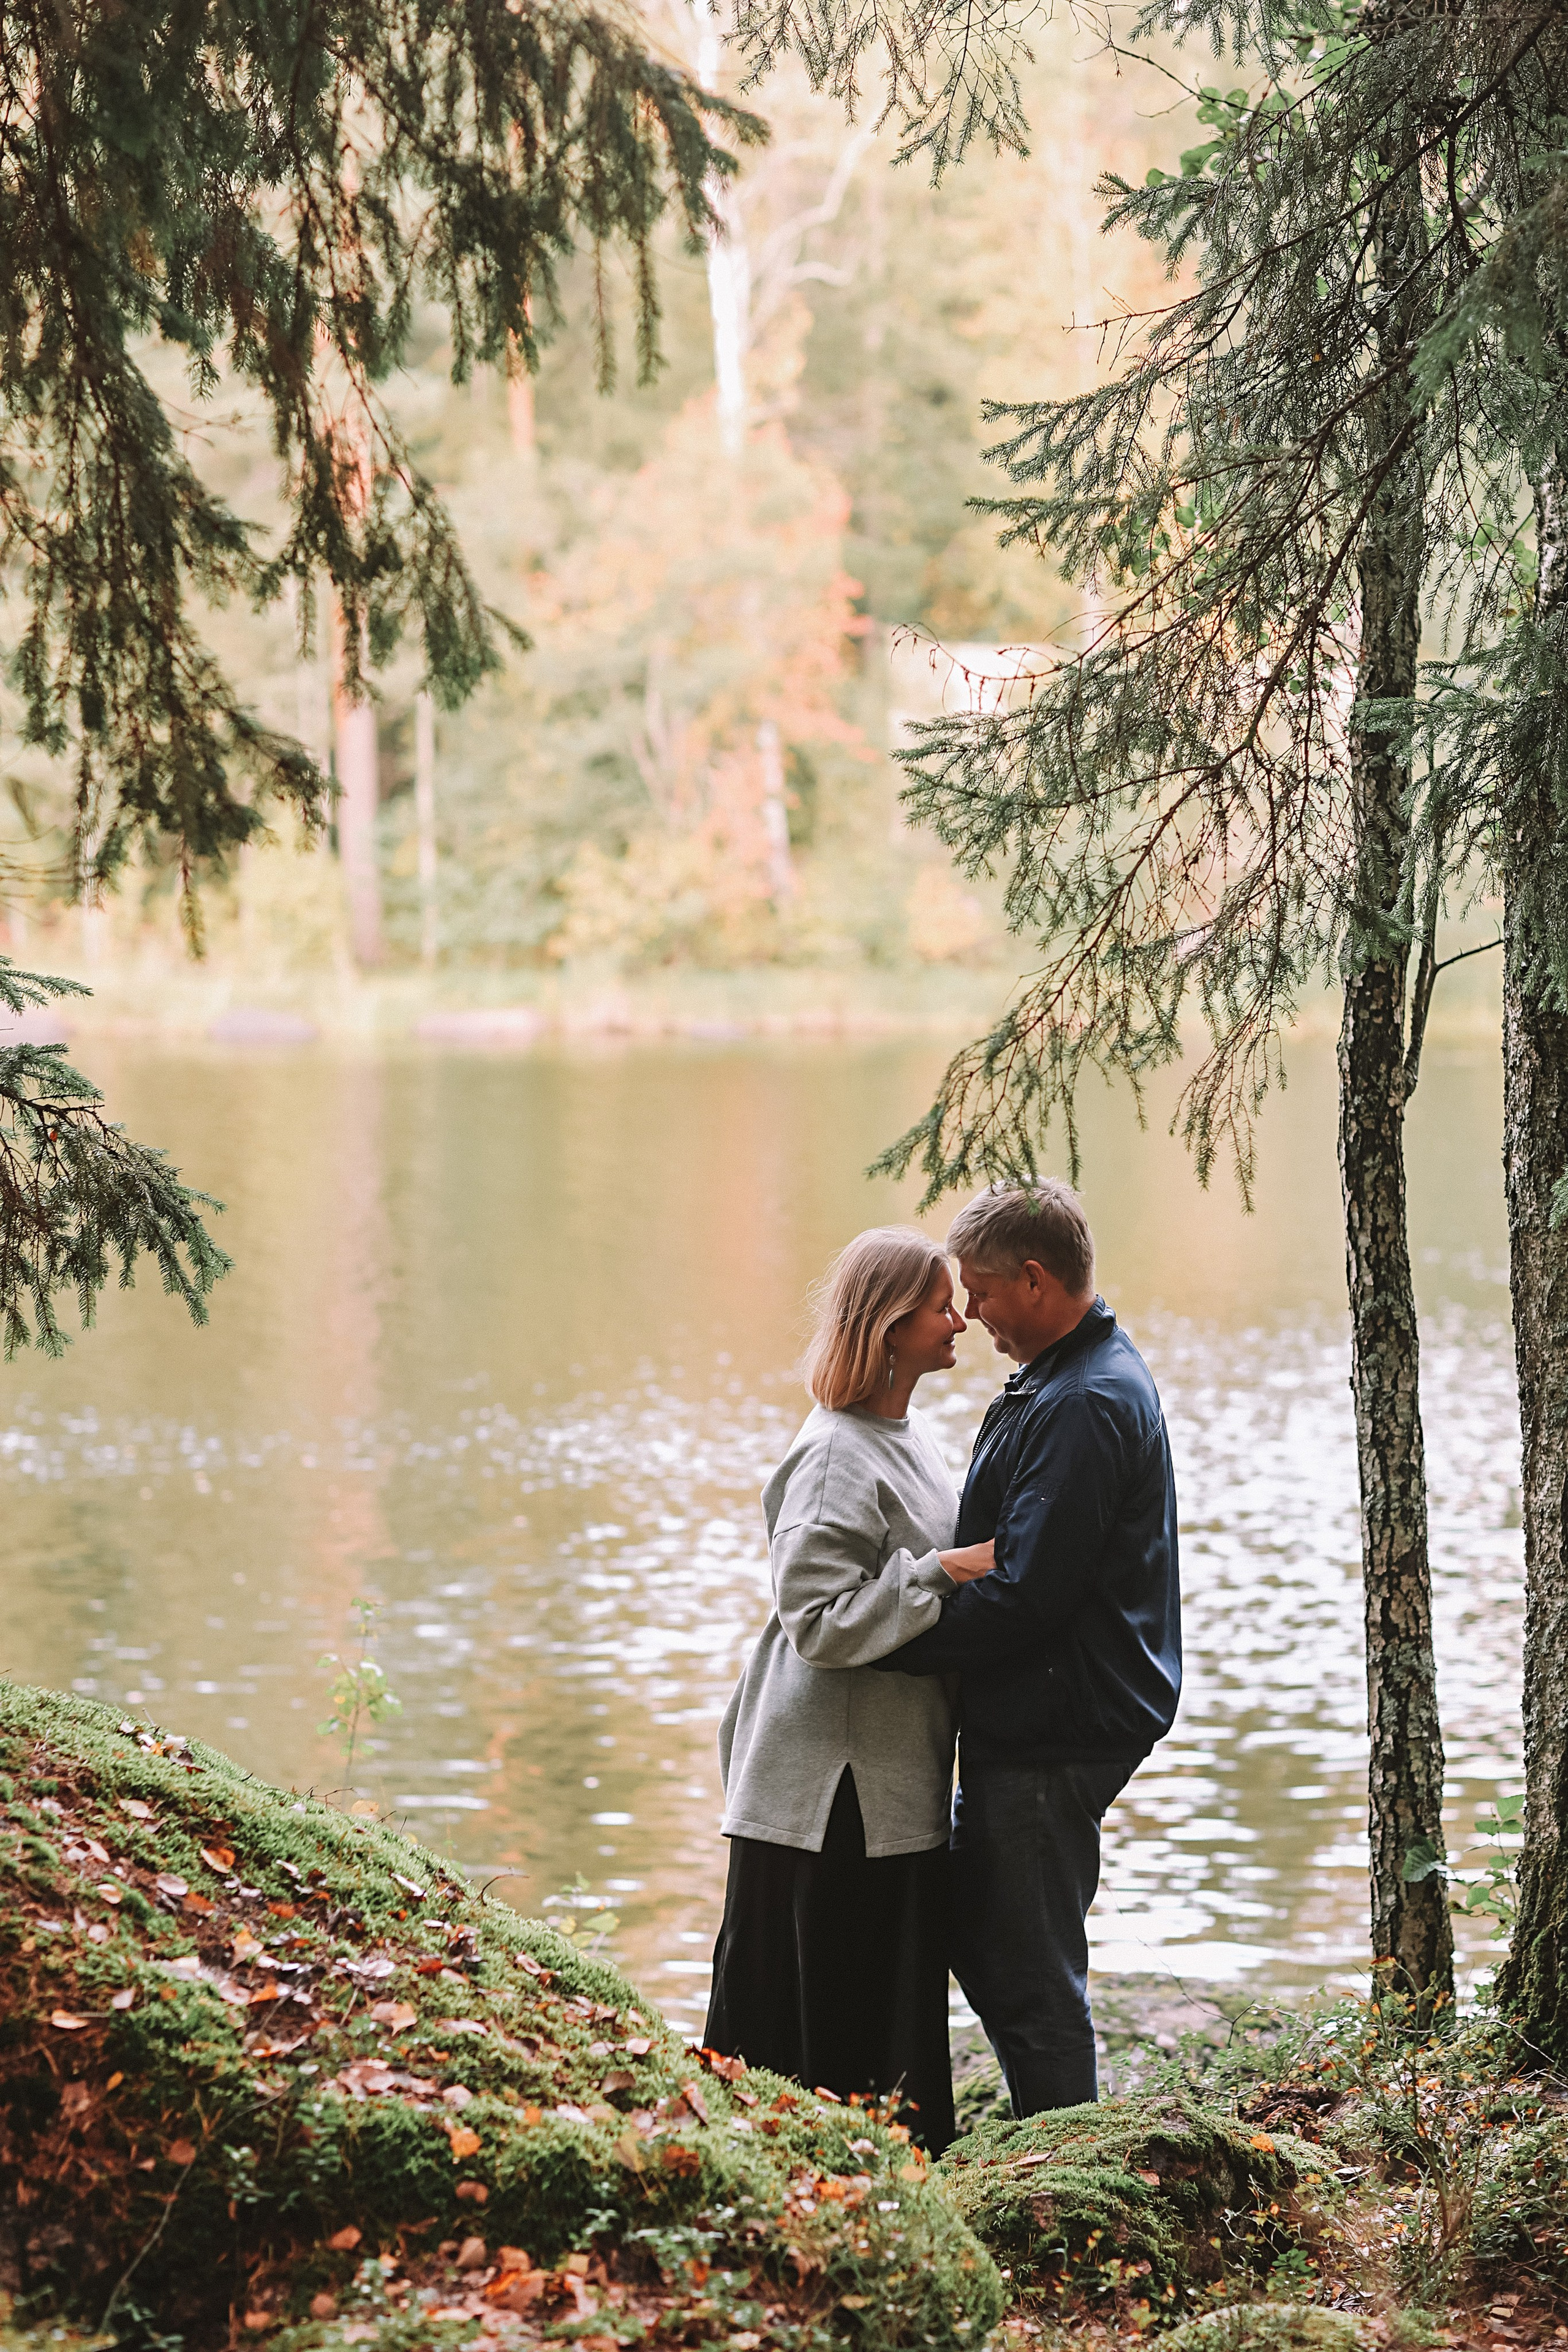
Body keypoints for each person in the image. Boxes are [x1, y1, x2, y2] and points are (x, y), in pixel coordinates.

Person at [875, 1180, 1180, 2117]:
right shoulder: (1066, 1376)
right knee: (986, 1935)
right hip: (1047, 1714)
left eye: (981, 1292)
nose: (971, 1316)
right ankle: (1051, 2135)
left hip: (1060, 1723)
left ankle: (1070, 2159)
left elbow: (1027, 1596)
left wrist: (880, 1639)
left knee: (1029, 1969)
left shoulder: (1085, 1399)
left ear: (1037, 1280)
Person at [704, 1226, 994, 2150]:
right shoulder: (834, 1455)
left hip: (884, 1785)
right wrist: (945, 1570)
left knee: (880, 2032)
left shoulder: (905, 1438)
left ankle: (886, 2200)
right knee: (814, 2040)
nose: (961, 1321)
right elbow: (818, 1623)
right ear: (890, 1325)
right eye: (941, 1306)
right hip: (826, 1799)